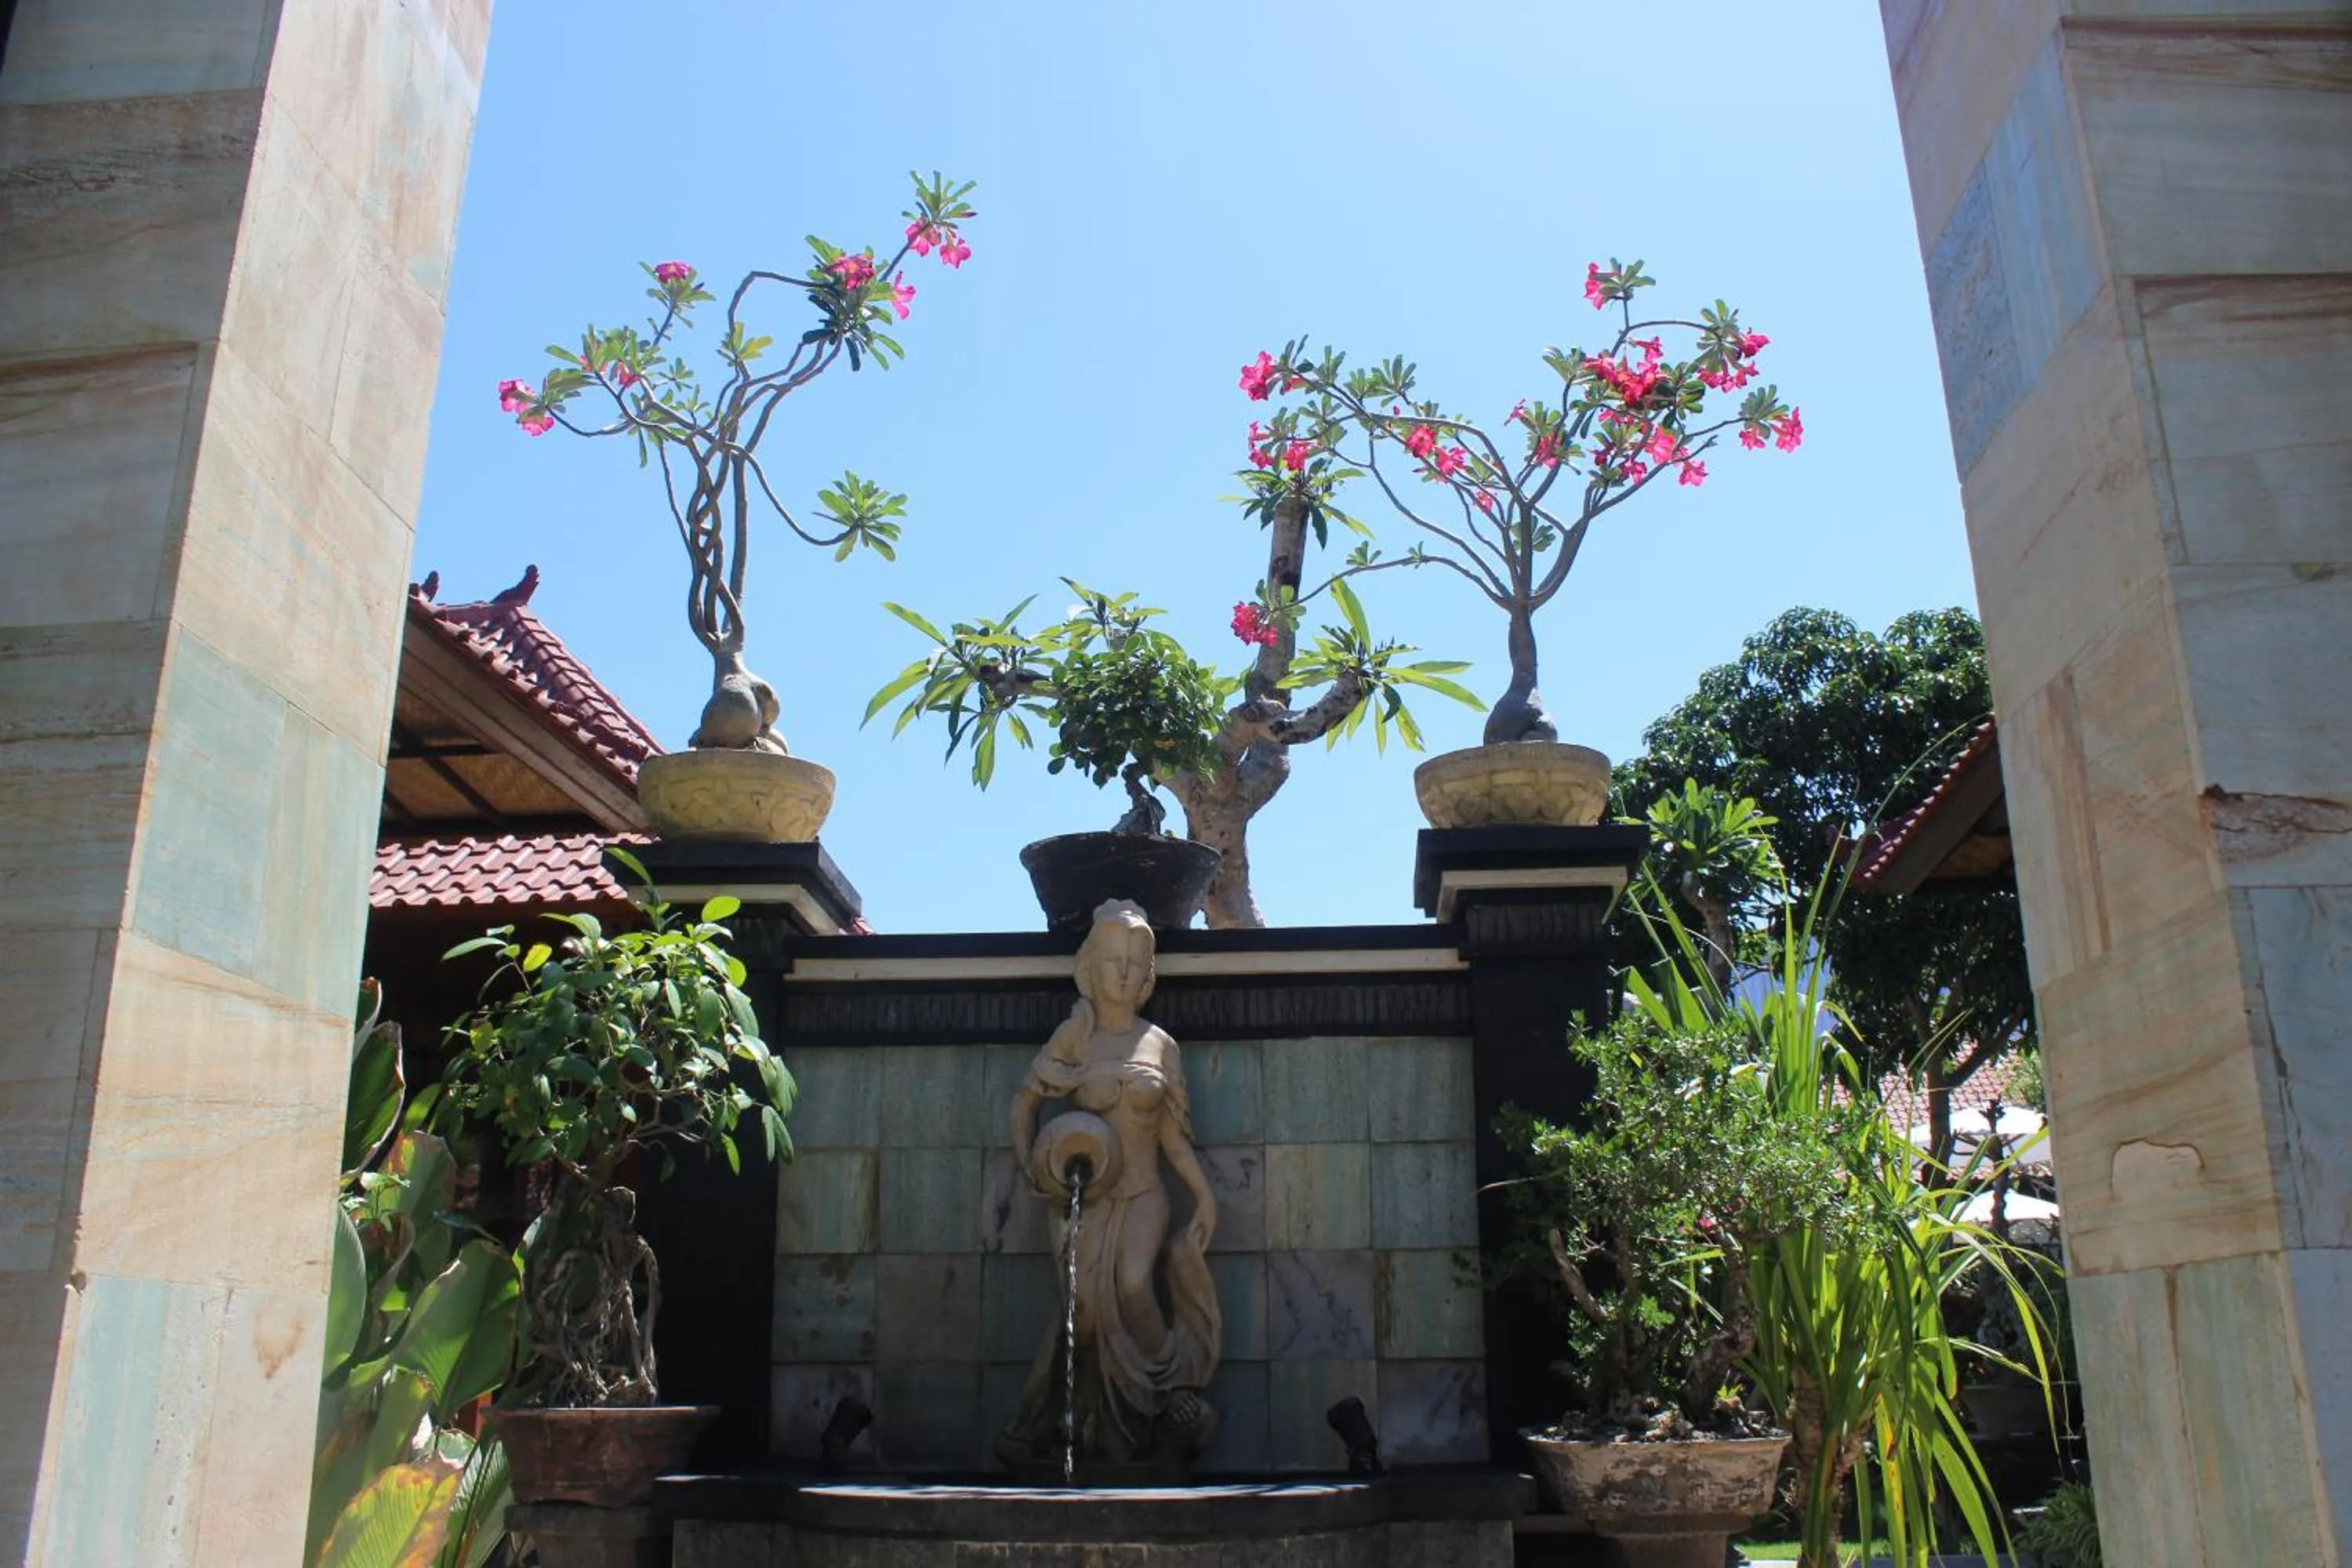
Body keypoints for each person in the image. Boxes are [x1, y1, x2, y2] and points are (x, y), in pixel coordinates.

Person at [998, 899, 1221, 1477]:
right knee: (1079, 1307)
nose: (1123, 972)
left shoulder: (1160, 1045)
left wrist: (1204, 1196)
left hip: (1146, 1194)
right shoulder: (1076, 1038)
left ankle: (1169, 1400)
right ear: (1090, 969)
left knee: (1130, 1282)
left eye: (1134, 961)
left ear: (1148, 974)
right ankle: (1046, 1426)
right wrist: (1030, 1166)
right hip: (1083, 1195)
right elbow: (1025, 1105)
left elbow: (1173, 1141)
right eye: (1112, 960)